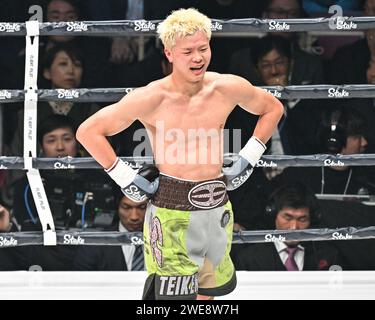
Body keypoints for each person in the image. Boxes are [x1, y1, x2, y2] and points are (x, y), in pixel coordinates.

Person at [77, 8, 283, 300]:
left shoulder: (226, 87)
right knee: (173, 300)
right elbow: (88, 131)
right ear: (170, 53)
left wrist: (249, 155)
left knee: (207, 295)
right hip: (171, 208)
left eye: (203, 48)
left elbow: (273, 108)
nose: (198, 57)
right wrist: (124, 176)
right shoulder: (151, 97)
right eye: (188, 51)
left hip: (217, 206)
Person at [231, 183, 342, 271]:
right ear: (273, 215)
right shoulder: (249, 258)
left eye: (302, 219)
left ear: (312, 220)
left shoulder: (327, 255)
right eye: (287, 218)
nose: (294, 227)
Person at [74, 194, 147, 271]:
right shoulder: (93, 245)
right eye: (126, 207)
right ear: (117, 208)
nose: (134, 217)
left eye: (142, 207)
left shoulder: (160, 240)